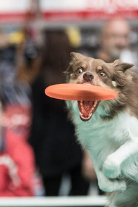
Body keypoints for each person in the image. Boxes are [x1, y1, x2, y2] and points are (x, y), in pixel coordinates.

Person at [29, 30, 87, 197]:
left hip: (49, 149)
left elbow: (37, 122)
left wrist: (33, 152)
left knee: (51, 200)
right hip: (76, 146)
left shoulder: (40, 82)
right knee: (79, 200)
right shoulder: (78, 81)